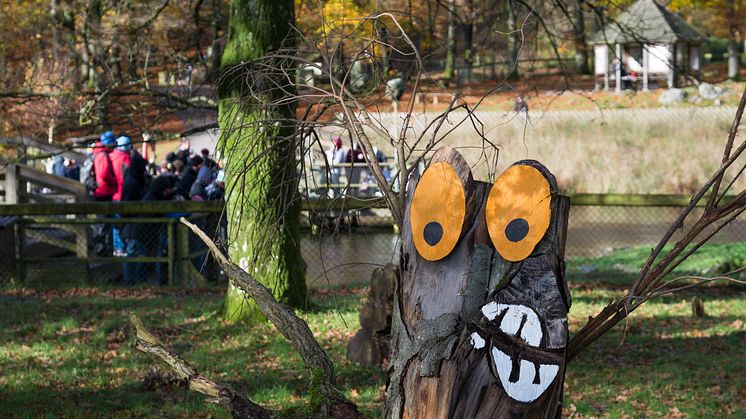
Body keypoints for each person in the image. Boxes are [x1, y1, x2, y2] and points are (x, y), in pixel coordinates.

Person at [91, 131, 117, 201]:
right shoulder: (102, 155)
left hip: (103, 190)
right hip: (105, 190)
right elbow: (104, 174)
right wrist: (114, 180)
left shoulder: (100, 153)